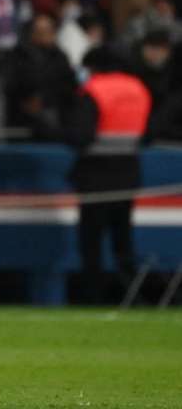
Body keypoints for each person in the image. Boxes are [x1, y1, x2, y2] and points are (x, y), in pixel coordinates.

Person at [67, 49, 152, 303]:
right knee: (122, 240)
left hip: (96, 175)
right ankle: (130, 297)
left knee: (91, 242)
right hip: (128, 173)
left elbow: (81, 136)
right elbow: (148, 132)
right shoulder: (139, 89)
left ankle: (93, 297)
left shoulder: (94, 89)